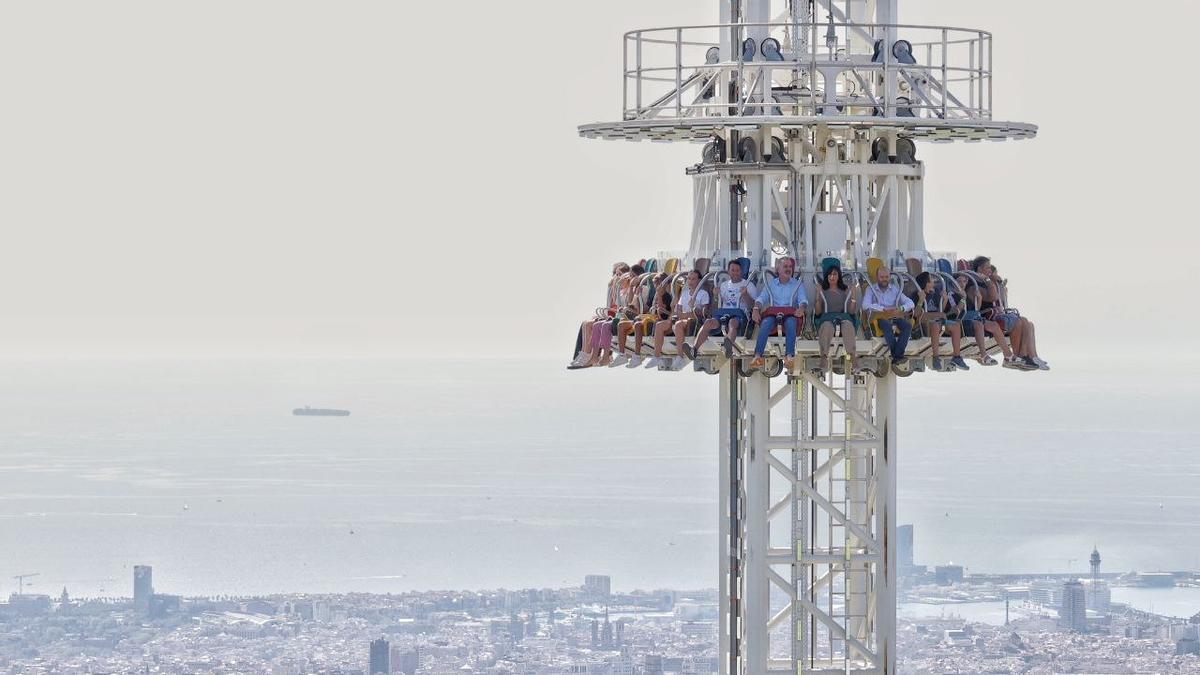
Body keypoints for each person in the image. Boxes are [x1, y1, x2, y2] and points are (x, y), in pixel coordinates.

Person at [971, 256, 1048, 371]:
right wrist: (988, 280)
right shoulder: (976, 284)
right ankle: (1017, 356)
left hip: (997, 314)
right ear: (980, 269)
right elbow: (993, 297)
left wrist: (1000, 285)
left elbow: (999, 298)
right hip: (988, 316)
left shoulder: (990, 283)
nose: (990, 271)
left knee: (1026, 321)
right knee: (1017, 322)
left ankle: (1026, 356)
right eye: (988, 268)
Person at [685, 258, 756, 359]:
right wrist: (715, 296)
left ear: (741, 271)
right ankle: (694, 349)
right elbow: (714, 308)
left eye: (738, 270)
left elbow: (753, 305)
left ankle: (729, 346)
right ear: (728, 271)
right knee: (709, 323)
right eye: (733, 270)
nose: (735, 273)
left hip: (739, 314)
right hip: (723, 313)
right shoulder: (723, 285)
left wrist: (745, 295)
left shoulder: (749, 285)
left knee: (732, 323)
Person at [748, 257, 808, 372]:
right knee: (765, 323)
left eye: (790, 267)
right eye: (785, 266)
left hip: (790, 314)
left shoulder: (797, 284)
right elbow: (761, 299)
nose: (788, 269)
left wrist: (801, 308)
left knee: (791, 323)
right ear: (778, 269)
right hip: (774, 314)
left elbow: (803, 300)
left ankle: (789, 356)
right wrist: (756, 309)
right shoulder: (772, 284)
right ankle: (757, 356)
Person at [647, 269, 710, 370]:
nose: (690, 281)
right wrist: (675, 310)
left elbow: (704, 313)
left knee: (678, 324)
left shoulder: (703, 294)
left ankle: (680, 356)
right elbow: (677, 311)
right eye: (689, 278)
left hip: (694, 322)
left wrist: (688, 313)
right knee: (659, 325)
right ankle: (657, 356)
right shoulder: (684, 293)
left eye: (693, 279)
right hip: (681, 319)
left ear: (699, 281)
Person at [813, 263, 863, 374]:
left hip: (842, 317)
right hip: (827, 317)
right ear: (826, 277)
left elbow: (851, 311)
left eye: (835, 274)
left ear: (839, 276)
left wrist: (853, 296)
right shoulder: (823, 291)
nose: (832, 277)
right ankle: (824, 356)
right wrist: (817, 295)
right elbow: (818, 312)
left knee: (848, 325)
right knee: (827, 326)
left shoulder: (845, 290)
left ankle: (853, 357)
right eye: (829, 275)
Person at [914, 272, 969, 371]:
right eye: (931, 280)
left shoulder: (935, 293)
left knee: (956, 326)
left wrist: (944, 300)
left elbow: (941, 311)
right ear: (926, 283)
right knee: (935, 324)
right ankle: (936, 357)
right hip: (926, 323)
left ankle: (957, 356)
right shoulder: (917, 294)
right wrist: (921, 300)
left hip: (939, 320)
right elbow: (916, 315)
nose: (934, 281)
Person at [862, 266, 914, 364]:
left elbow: (911, 303)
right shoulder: (870, 289)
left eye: (886, 277)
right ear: (877, 277)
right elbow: (865, 305)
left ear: (889, 277)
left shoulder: (895, 289)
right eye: (882, 277)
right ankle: (897, 356)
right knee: (887, 325)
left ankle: (896, 355)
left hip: (894, 316)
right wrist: (883, 309)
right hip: (880, 317)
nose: (884, 279)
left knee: (907, 326)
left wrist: (901, 308)